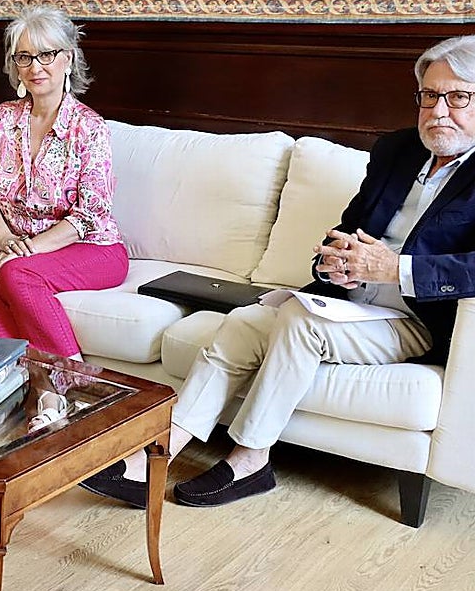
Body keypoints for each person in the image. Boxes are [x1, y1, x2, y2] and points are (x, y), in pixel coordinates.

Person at [81, 34, 475, 509]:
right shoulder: (397, 151)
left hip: (419, 321)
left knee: (300, 323)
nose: (439, 111)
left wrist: (396, 270)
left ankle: (251, 459)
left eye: (458, 97)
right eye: (430, 96)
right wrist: (334, 261)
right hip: (349, 302)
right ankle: (159, 454)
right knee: (244, 322)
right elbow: (349, 227)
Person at [0, 5, 128, 376]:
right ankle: (19, 376)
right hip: (25, 249)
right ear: (15, 65)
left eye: (47, 54)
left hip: (94, 249)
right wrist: (6, 240)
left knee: (16, 274)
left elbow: (92, 213)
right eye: (25, 57)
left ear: (67, 58)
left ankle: (72, 379)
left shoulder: (88, 127)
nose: (36, 66)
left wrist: (27, 252)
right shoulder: (3, 118)